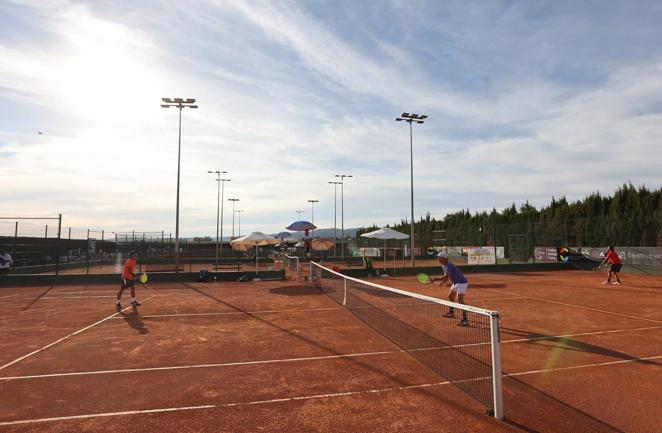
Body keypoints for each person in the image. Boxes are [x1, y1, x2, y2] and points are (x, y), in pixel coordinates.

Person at [434, 251, 469, 326]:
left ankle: (465, 320)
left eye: (439, 258)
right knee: (450, 296)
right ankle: (451, 313)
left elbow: (446, 276)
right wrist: (442, 282)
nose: (438, 259)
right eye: (438, 257)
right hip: (456, 283)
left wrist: (437, 279)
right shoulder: (443, 265)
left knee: (460, 300)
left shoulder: (449, 265)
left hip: (462, 283)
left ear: (444, 258)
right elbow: (446, 277)